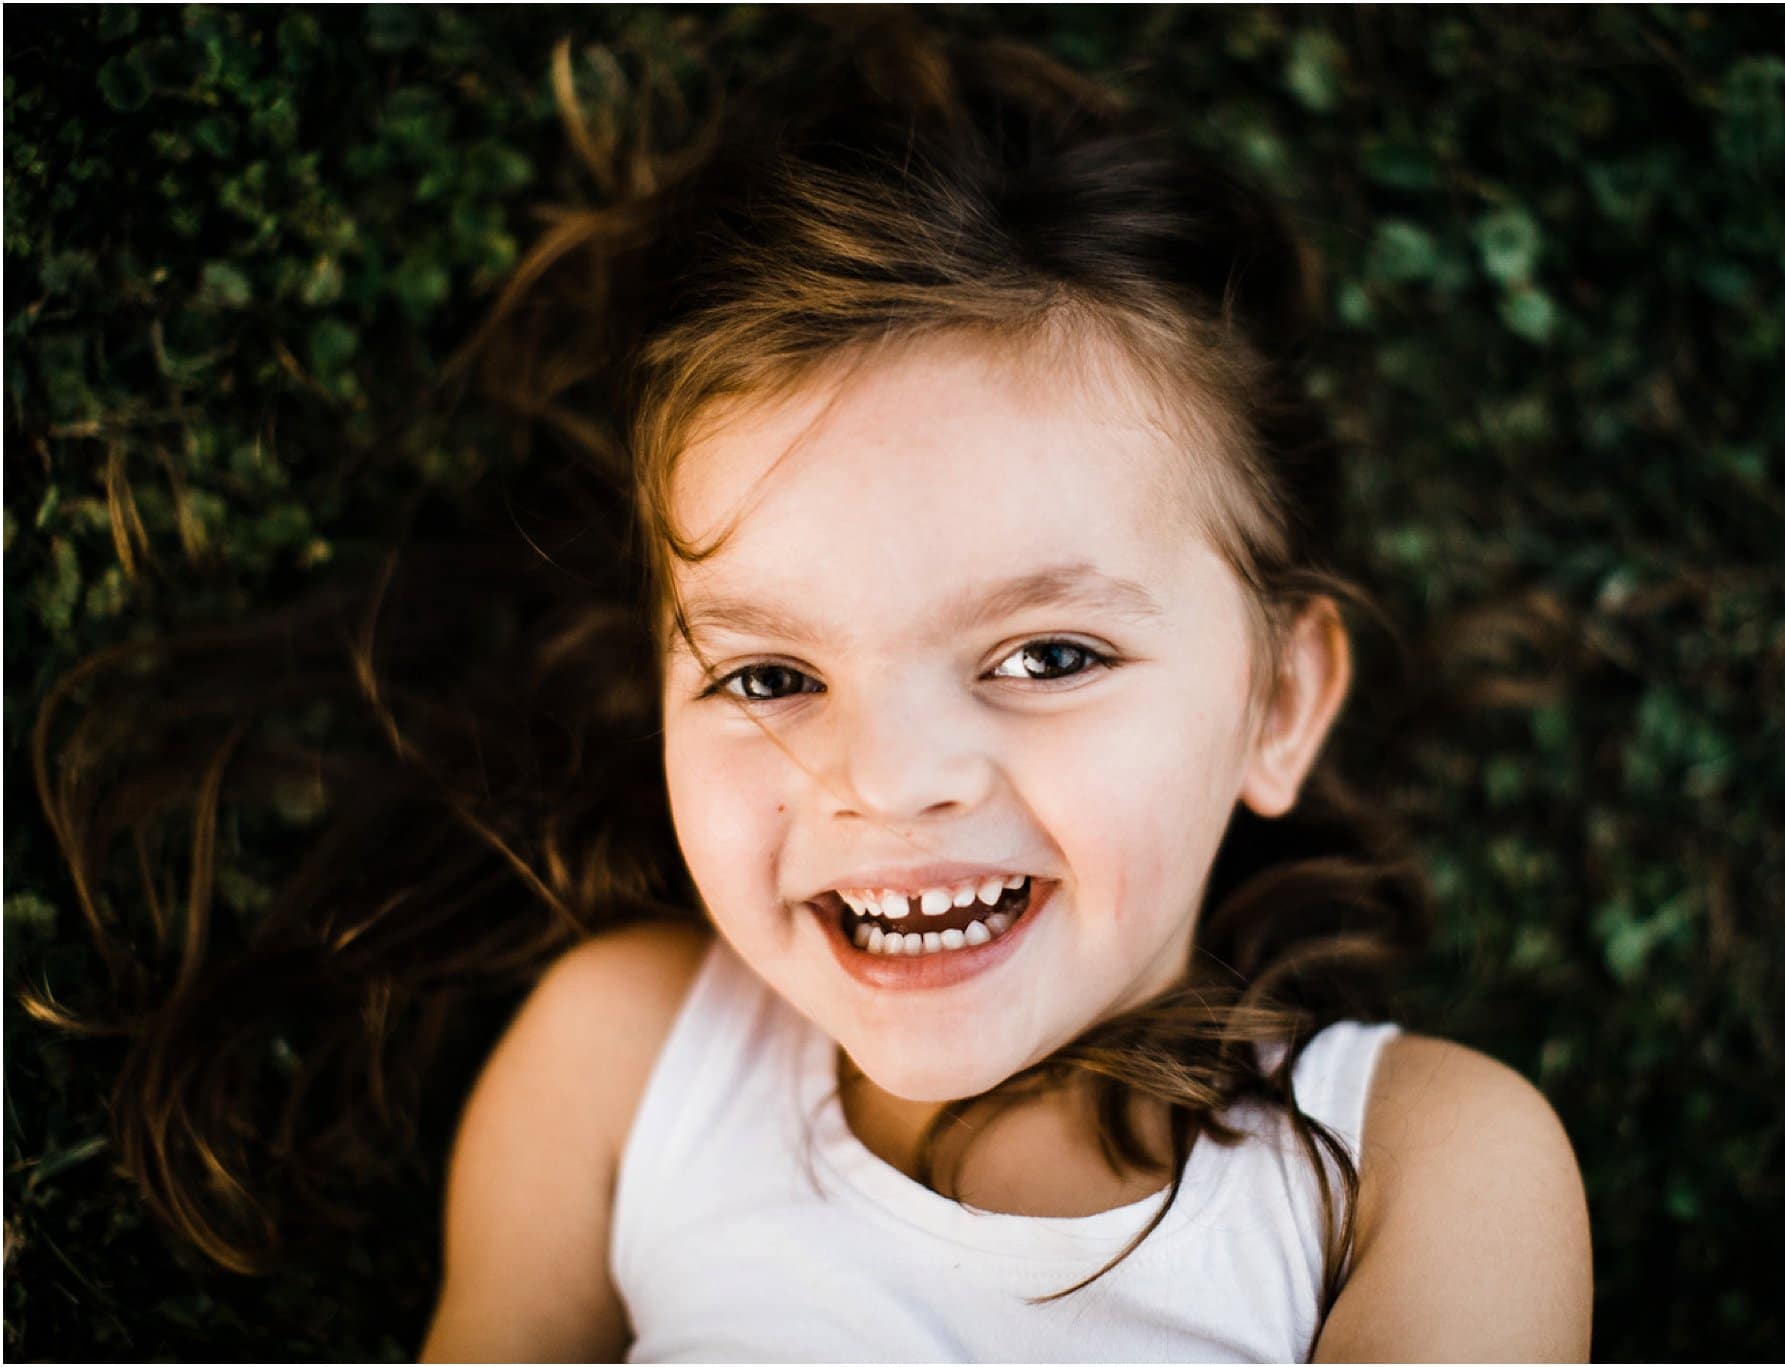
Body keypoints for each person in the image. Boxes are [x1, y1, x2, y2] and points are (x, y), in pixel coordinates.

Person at [409, 19, 1590, 1364]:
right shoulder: (624, 1060)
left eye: (1047, 657)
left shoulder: (1414, 1176)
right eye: (773, 675)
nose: (895, 777)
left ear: (1277, 703)